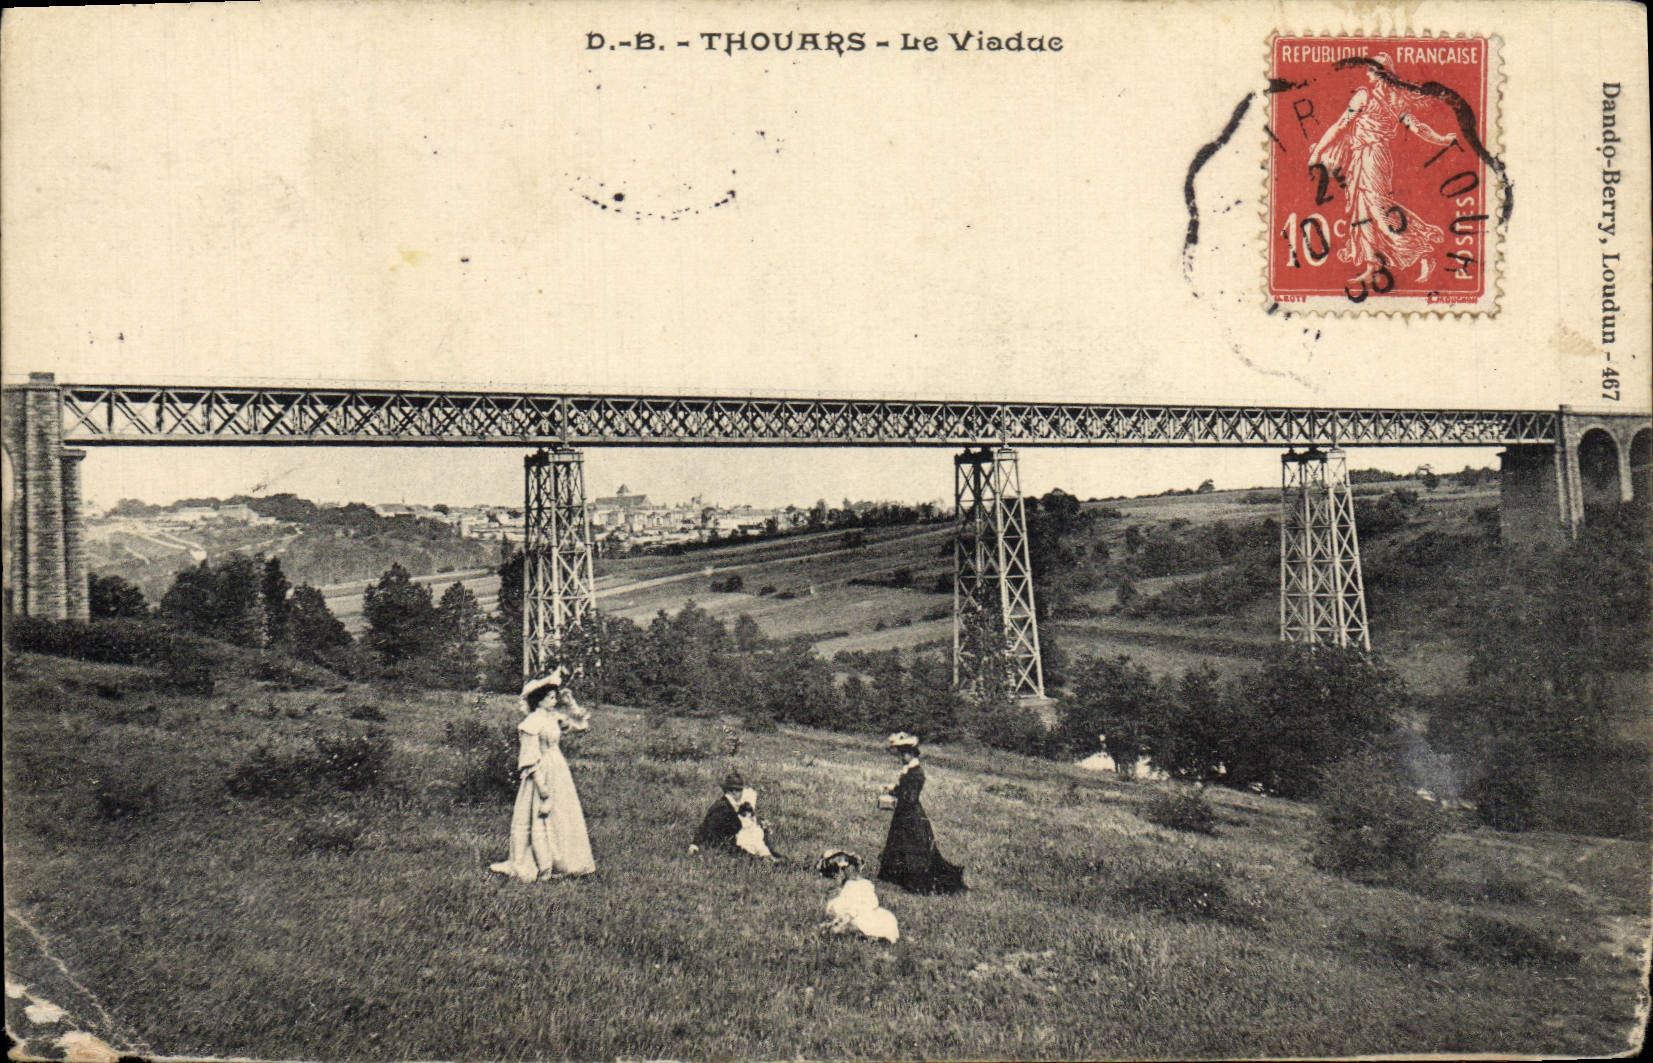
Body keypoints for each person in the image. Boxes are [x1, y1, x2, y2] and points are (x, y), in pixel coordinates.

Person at [1306, 54, 1453, 287]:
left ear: (1380, 73)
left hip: (1372, 156)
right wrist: (1442, 139)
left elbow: (1340, 125)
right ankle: (1372, 264)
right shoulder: (1397, 99)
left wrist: (1317, 153)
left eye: (1370, 71)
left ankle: (1422, 250)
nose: (1367, 75)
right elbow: (1418, 128)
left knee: (1378, 206)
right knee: (1361, 209)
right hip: (1363, 156)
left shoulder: (1367, 96)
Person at [489, 669, 596, 882]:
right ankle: (542, 862)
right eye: (550, 697)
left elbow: (583, 727)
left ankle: (567, 861)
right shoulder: (531, 723)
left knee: (563, 814)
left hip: (558, 769)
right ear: (539, 700)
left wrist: (571, 701)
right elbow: (529, 758)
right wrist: (542, 787)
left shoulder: (553, 718)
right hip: (541, 772)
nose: (554, 701)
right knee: (540, 814)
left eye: (555, 697)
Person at [877, 732, 967, 895]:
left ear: (911, 753)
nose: (901, 757)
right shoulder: (910, 771)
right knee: (900, 844)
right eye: (900, 753)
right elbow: (905, 791)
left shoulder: (916, 773)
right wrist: (893, 789)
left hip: (911, 814)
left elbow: (910, 797)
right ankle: (897, 876)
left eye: (903, 753)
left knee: (915, 847)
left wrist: (895, 796)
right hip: (905, 813)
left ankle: (914, 879)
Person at [818, 850, 899, 943]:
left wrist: (848, 915)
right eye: (834, 872)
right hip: (850, 915)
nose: (838, 875)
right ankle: (858, 934)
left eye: (842, 870)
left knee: (869, 921)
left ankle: (868, 935)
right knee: (836, 923)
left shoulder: (861, 884)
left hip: (862, 914)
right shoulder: (842, 889)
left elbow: (867, 904)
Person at [690, 771, 769, 856]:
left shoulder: (728, 805)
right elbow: (707, 827)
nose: (742, 794)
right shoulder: (723, 808)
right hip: (723, 849)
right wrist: (695, 844)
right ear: (734, 792)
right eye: (741, 790)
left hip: (728, 847)